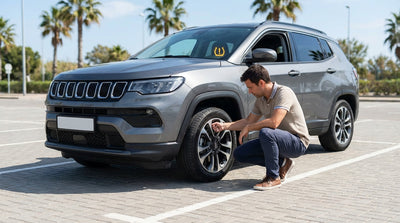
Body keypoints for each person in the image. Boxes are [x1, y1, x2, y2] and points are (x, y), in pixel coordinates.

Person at [212, 64, 310, 190]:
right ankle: (284, 163)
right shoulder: (261, 100)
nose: (249, 91)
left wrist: (250, 127)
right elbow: (248, 121)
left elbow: (274, 122)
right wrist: (224, 126)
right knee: (240, 153)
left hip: (297, 142)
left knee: (266, 132)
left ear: (261, 83)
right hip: (276, 140)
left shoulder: (284, 93)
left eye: (251, 87)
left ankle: (273, 177)